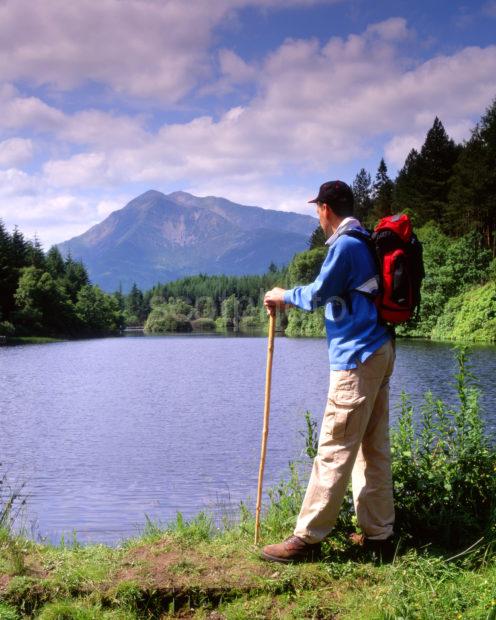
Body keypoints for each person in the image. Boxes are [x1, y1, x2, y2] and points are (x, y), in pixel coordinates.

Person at [262, 180, 395, 563]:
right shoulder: (365, 241)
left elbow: (319, 293)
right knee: (373, 448)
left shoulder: (345, 245)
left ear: (325, 209)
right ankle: (379, 537)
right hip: (379, 349)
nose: (318, 217)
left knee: (334, 446)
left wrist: (281, 295)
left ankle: (306, 539)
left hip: (356, 357)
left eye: (317, 210)